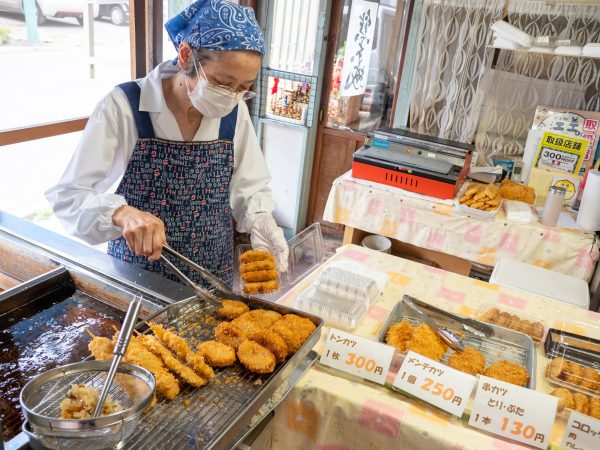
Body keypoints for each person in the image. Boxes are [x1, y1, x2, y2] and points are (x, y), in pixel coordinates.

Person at [45, 0, 288, 288]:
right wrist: (122, 214)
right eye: (223, 83)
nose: (232, 96)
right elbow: (69, 196)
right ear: (186, 56)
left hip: (213, 279)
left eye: (244, 88)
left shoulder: (234, 112)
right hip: (136, 278)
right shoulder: (126, 106)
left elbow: (250, 187)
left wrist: (260, 219)